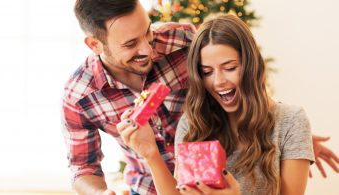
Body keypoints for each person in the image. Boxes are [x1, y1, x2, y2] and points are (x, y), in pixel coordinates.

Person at [62, 0, 339, 194]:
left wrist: (286, 132)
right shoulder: (80, 96)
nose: (149, 48)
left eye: (148, 31)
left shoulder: (182, 39)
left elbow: (228, 56)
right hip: (150, 186)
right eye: (131, 44)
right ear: (95, 44)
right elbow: (82, 168)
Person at [117, 14, 313, 195]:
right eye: (207, 72)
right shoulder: (193, 123)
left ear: (251, 66)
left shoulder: (290, 121)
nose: (218, 81)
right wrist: (151, 155)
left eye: (229, 68)